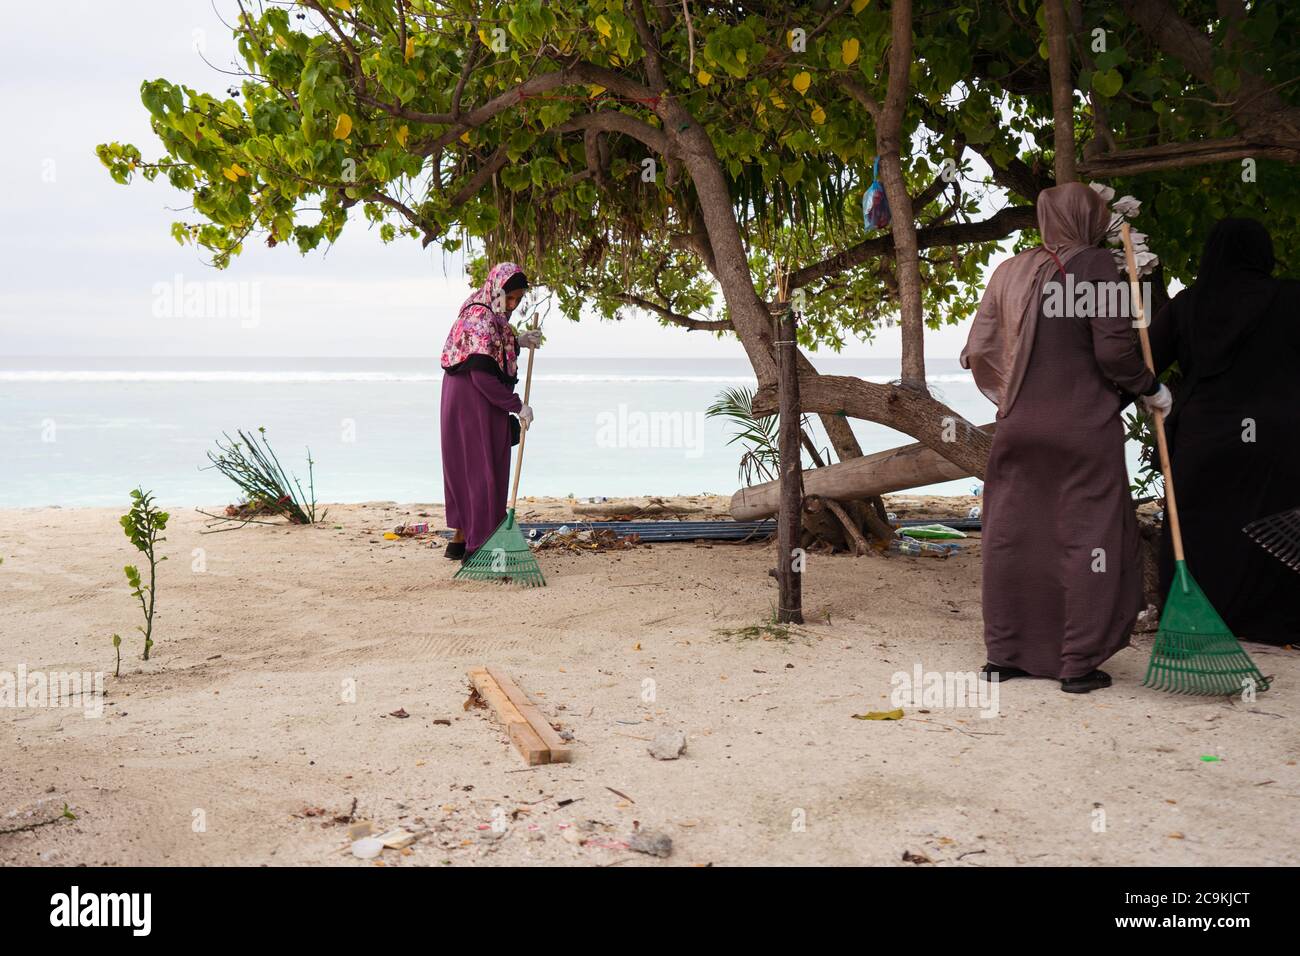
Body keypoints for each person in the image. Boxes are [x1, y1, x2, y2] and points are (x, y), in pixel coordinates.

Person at [962, 182, 1171, 693]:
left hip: (1017, 426)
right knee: (1087, 538)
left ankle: (1005, 656)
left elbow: (978, 348)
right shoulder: (1097, 265)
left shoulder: (1011, 270)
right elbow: (1114, 353)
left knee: (1013, 535)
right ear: (1088, 219)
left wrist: (1012, 394)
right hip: (1081, 428)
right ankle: (1077, 664)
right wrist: (1151, 388)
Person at [1147, 218, 1300, 645]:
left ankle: (1198, 620)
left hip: (1206, 436)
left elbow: (1142, 370)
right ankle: (1277, 624)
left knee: (1199, 528)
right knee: (1279, 526)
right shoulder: (1292, 298)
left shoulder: (1187, 305)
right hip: (1280, 438)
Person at [439, 262, 540, 561]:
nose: (512, 304)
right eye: (509, 298)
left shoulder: (479, 304)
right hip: (474, 400)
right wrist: (517, 406)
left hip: (461, 396)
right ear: (497, 289)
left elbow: (493, 342)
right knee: (482, 468)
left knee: (466, 466)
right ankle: (479, 547)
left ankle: (460, 538)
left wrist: (517, 341)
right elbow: (482, 375)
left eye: (518, 300)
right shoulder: (480, 316)